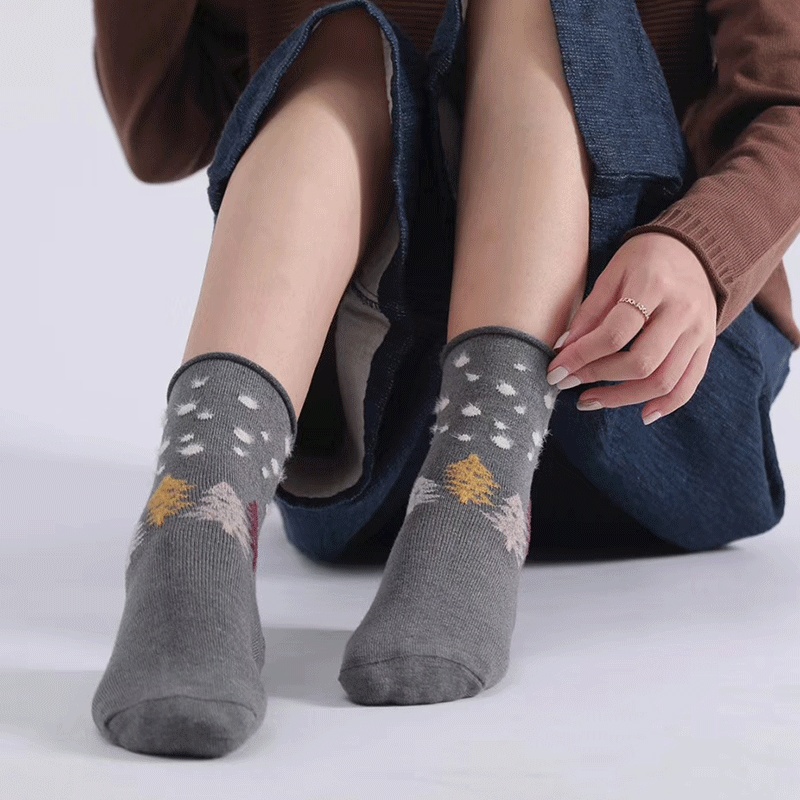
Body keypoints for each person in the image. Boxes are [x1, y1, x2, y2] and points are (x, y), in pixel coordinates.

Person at [90, 0, 800, 758]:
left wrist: (703, 248)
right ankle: (196, 511)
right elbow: (164, 133)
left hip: (656, 385)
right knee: (342, 44)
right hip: (376, 450)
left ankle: (477, 499)